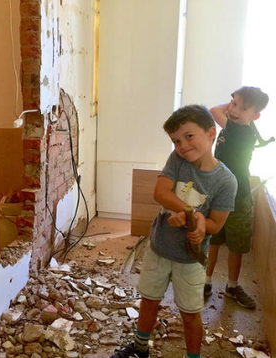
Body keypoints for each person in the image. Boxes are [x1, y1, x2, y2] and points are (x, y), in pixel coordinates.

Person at [110, 105, 237, 358]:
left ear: (211, 133)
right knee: (149, 301)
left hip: (191, 259)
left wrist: (199, 225)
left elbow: (216, 225)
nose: (182, 145)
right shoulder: (177, 160)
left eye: (189, 136)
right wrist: (192, 213)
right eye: (176, 140)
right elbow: (160, 193)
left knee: (190, 312)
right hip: (160, 248)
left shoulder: (226, 181)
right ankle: (140, 347)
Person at [204, 86, 269, 309]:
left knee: (236, 244)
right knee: (213, 239)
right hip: (218, 192)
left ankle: (231, 286)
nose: (235, 110)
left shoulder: (239, 131)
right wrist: (236, 104)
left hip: (238, 197)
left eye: (243, 108)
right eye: (234, 104)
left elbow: (214, 110)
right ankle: (206, 281)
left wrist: (230, 104)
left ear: (255, 116)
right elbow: (220, 111)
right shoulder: (236, 125)